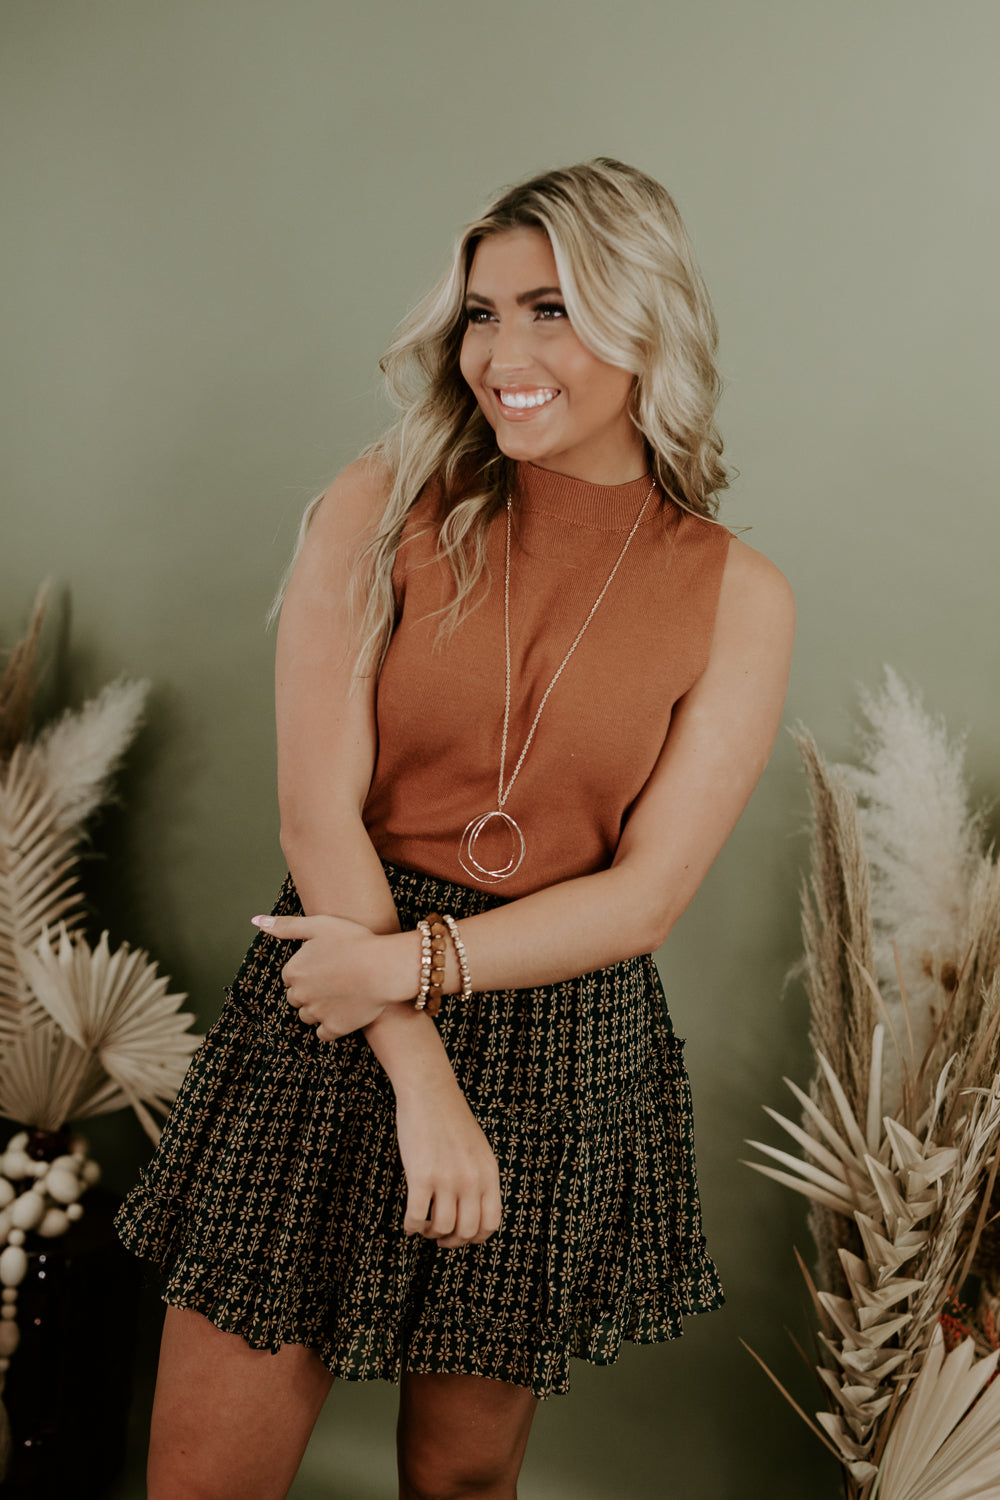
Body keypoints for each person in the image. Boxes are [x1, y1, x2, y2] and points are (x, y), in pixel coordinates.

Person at [116, 157, 795, 1500]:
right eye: (482, 314)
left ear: (648, 321)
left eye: (552, 311)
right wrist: (419, 1073)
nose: (502, 356)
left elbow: (646, 897)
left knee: (466, 1483)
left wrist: (413, 968)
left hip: (554, 1033)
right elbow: (315, 808)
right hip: (335, 982)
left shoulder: (739, 595)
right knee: (203, 1484)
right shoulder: (380, 500)